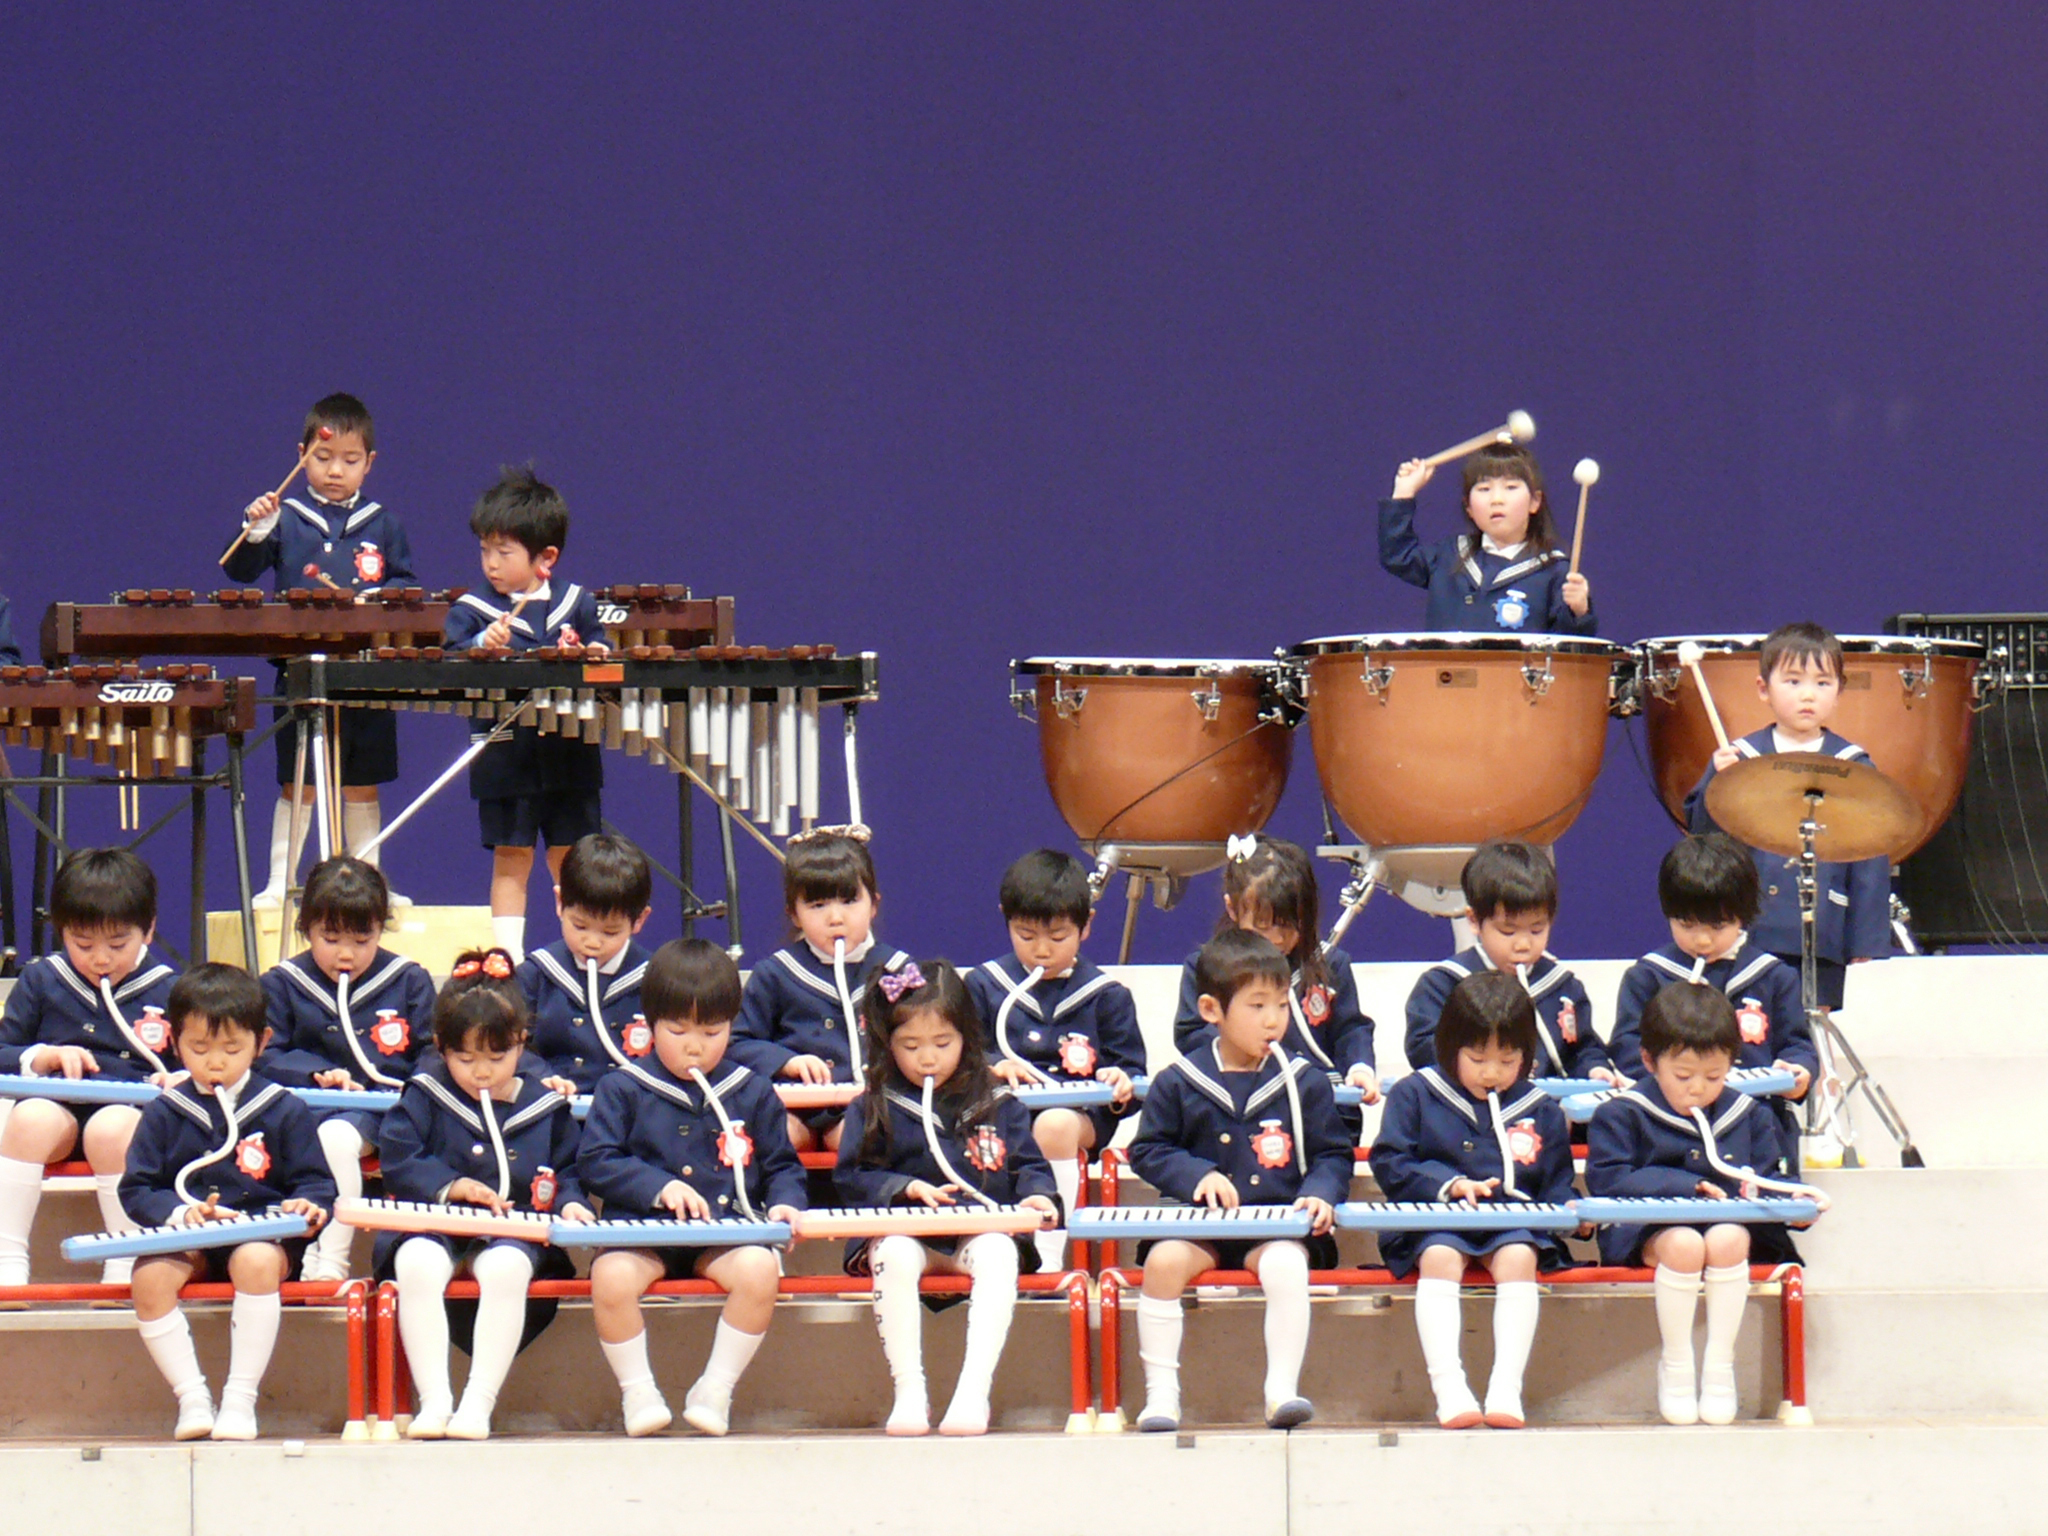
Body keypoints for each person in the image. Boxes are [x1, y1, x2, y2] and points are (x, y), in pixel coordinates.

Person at [579, 939, 805, 1437]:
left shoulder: (752, 1090)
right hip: (641, 1233)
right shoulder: (623, 1087)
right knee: (611, 1278)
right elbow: (596, 1160)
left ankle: (716, 1389)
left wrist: (786, 1204)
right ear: (650, 1024)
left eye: (712, 1031)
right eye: (677, 1031)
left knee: (759, 1271)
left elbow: (782, 1166)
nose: (695, 1046)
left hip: (722, 1234)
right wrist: (658, 1187)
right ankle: (638, 1392)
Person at [1131, 929, 1352, 1433]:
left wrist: (1320, 1192)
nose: (1274, 1019)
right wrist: (1197, 1174)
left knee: (1286, 1266)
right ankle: (1161, 1395)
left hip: (1274, 1228)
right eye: (1257, 1006)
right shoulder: (1178, 1080)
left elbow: (1332, 1154)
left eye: (1282, 1005)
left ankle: (1282, 1391)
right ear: (1211, 1010)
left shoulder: (1305, 1081)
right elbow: (1147, 1150)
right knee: (1163, 1263)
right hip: (1200, 1228)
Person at [835, 959, 1059, 1437]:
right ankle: (908, 1391)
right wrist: (902, 1188)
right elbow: (851, 1176)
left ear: (967, 1037)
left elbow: (1030, 1167)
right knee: (893, 1252)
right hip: (909, 1237)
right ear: (887, 1044)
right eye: (910, 1045)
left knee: (999, 1251)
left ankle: (973, 1392)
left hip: (975, 1236)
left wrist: (1040, 1197)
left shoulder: (998, 1101)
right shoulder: (873, 1105)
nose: (927, 1059)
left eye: (943, 1043)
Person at [375, 950, 591, 1440]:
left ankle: (478, 1403)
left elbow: (567, 1169)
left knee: (506, 1268)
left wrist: (571, 1201)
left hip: (514, 1234)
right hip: (436, 1225)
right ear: (441, 1048)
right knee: (417, 1263)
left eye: (497, 1058)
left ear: (521, 1043)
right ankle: (434, 1401)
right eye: (465, 1058)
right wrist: (451, 1186)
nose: (481, 1072)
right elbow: (400, 1156)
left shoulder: (544, 1104)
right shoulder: (425, 1093)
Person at [1586, 982, 1822, 1425]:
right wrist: (1686, 1185)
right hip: (1647, 1232)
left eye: (1714, 1077)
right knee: (1684, 1245)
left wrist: (1795, 1202)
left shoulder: (1749, 1114)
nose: (1698, 1088)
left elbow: (1768, 1177)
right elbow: (1609, 1179)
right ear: (1649, 1062)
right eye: (1683, 1076)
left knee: (1729, 1238)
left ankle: (1719, 1365)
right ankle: (1676, 1363)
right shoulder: (1622, 1112)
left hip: (1728, 1233)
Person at [119, 964, 335, 1440]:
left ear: (261, 1042)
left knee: (255, 1261)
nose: (215, 1063)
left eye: (232, 1049)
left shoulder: (284, 1108)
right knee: (149, 1278)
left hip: (261, 1240)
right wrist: (182, 1213)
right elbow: (136, 1189)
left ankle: (240, 1400)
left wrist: (308, 1207)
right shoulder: (164, 1112)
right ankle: (192, 1398)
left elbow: (317, 1184)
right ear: (175, 1043)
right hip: (189, 1239)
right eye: (199, 1049)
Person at [222, 393, 417, 905]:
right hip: (302, 670)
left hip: (367, 673)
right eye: (323, 457)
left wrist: (379, 597)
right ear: (301, 455)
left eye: (350, 461)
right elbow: (239, 570)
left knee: (363, 783)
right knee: (299, 783)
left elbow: (407, 586)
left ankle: (370, 886)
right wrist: (255, 530)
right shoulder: (286, 517)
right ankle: (278, 883)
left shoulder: (383, 524)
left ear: (369, 463)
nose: (335, 470)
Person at [1370, 972, 1579, 1429]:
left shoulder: (1541, 1107)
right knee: (1440, 1256)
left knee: (1520, 1256)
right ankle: (1449, 1387)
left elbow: (1556, 1179)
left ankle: (1506, 1387)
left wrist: (1569, 1211)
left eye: (1508, 1060)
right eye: (1477, 1058)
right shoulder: (1415, 1093)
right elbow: (1390, 1161)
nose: (1491, 1073)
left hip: (1512, 1221)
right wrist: (1449, 1185)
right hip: (1437, 1219)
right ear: (1450, 1047)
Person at [442, 465, 606, 960]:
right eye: (485, 550)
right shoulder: (471, 610)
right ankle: (507, 959)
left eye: (504, 552)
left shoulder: (577, 603)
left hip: (569, 748)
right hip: (505, 754)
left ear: (546, 558)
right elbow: (450, 662)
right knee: (511, 857)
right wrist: (478, 645)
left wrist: (595, 653)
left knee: (572, 859)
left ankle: (581, 952)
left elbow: (601, 647)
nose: (491, 564)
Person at [1685, 622, 1890, 1011]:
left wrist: (1865, 938)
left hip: (1822, 928)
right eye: (1793, 682)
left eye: (1823, 683)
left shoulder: (1852, 765)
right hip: (1749, 929)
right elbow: (1703, 840)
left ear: (1839, 692)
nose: (1808, 695)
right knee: (1750, 1023)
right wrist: (1717, 782)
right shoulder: (1739, 758)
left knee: (1810, 1025)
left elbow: (1869, 857)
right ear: (1763, 689)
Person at [0, 848, 177, 1284]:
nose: (100, 959)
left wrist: (178, 1078)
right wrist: (41, 1057)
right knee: (30, 1117)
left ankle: (124, 1260)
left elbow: (202, 1065)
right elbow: (4, 1050)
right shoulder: (42, 979)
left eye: (117, 945)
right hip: (56, 1117)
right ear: (62, 932)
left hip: (127, 1123)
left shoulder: (170, 990)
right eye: (83, 944)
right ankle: (7, 1258)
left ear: (149, 929)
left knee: (112, 1127)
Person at [256, 855, 436, 1280]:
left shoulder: (408, 980)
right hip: (303, 1111)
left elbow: (432, 1054)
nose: (346, 954)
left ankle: (332, 1261)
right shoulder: (281, 983)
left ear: (380, 929)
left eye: (361, 939)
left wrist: (405, 1094)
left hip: (381, 1113)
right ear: (306, 927)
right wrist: (315, 1074)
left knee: (336, 1138)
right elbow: (265, 1054)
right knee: (318, 1135)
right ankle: (306, 1256)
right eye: (331, 938)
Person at [965, 848, 1144, 1270]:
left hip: (1076, 1119)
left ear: (1086, 926)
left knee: (1055, 1123)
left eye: (1058, 937)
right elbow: (959, 1056)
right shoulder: (983, 985)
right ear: (1006, 920)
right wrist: (993, 1065)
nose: (1042, 950)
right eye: (1026, 936)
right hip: (1000, 1113)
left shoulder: (1107, 996)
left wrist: (1121, 1082)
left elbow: (1133, 1075)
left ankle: (1046, 1254)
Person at [1608, 834, 1814, 1161]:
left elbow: (1797, 1044)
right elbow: (1627, 1047)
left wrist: (1799, 1072)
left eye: (1718, 926)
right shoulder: (1648, 976)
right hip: (1668, 1124)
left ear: (1744, 915)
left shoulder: (1773, 976)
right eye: (1687, 925)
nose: (1702, 940)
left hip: (1753, 1123)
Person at [1171, 836, 1380, 1146]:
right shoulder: (1205, 967)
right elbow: (1192, 1032)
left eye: (1290, 925)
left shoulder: (1331, 964)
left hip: (1321, 1107)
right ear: (1232, 908)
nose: (1278, 939)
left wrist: (1359, 1068)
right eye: (1263, 925)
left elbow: (1350, 1030)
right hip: (1236, 1107)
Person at [728, 827, 909, 1152]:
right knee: (783, 1135)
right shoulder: (776, 973)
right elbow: (736, 1043)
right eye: (818, 905)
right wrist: (787, 1062)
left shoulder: (897, 970)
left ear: (874, 905)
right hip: (795, 1106)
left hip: (873, 1104)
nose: (836, 918)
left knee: (855, 1136)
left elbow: (924, 1033)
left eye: (850, 901)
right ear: (793, 914)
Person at [1403, 840, 1612, 1083]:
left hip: (1550, 1103)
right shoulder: (1445, 984)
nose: (1523, 944)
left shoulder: (1562, 986)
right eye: (1508, 931)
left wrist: (1594, 1068)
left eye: (1536, 930)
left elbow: (1583, 1048)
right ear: (1474, 920)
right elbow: (1423, 1049)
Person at [1379, 437, 1595, 633]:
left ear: (1534, 501)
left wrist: (1579, 610)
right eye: (1484, 489)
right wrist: (1403, 492)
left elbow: (1567, 650)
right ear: (1469, 507)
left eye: (1510, 487)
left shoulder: (1554, 570)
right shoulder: (1448, 556)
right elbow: (1398, 556)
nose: (1496, 499)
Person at [516, 833, 655, 1093]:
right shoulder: (534, 974)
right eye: (579, 926)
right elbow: (507, 1043)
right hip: (553, 1105)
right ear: (560, 903)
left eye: (610, 932)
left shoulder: (656, 979)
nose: (592, 942)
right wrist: (541, 1076)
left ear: (639, 920)